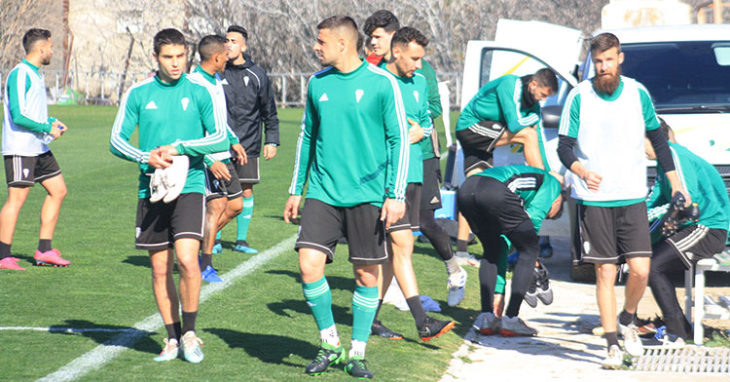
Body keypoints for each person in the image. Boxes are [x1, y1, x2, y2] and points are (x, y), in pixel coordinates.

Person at [283, 16, 408, 379]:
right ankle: (329, 344)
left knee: (367, 274)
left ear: (342, 44)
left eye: (320, 42)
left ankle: (357, 353)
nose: (315, 47)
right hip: (323, 190)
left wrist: (395, 194)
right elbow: (307, 137)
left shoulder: (382, 83)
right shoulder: (316, 83)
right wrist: (296, 189)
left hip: (369, 194)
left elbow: (398, 139)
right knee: (309, 265)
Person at [557, 32, 689, 369]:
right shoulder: (579, 96)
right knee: (605, 272)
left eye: (609, 60)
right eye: (598, 62)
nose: (603, 67)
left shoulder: (637, 93)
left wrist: (676, 184)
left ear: (620, 58)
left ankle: (628, 318)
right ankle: (612, 346)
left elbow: (659, 142)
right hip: (595, 198)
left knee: (641, 270)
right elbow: (564, 146)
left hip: (631, 195)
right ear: (592, 62)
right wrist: (580, 171)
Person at [109, 28, 228, 363]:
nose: (176, 64)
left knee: (188, 261)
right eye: (168, 57)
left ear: (187, 55)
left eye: (180, 56)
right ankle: (172, 337)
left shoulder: (201, 90)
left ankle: (190, 333)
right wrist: (144, 156)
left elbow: (218, 136)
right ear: (156, 57)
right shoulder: (138, 92)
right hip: (151, 189)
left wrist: (180, 149)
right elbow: (116, 140)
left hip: (189, 184)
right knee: (160, 269)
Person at [363, 9, 468, 313]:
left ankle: (454, 270)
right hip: (392, 160)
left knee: (423, 222)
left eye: (378, 37)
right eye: (370, 38)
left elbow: (432, 107)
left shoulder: (421, 71)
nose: (372, 43)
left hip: (422, 155)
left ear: (395, 39)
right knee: (393, 228)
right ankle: (399, 292)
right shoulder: (376, 71)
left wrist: (413, 128)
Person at [372, 26, 455, 342]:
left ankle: (372, 320)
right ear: (397, 52)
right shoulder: (376, 81)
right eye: (415, 58)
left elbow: (422, 120)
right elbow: (368, 134)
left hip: (415, 172)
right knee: (401, 245)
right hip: (387, 177)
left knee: (395, 252)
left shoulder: (419, 82)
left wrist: (416, 132)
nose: (420, 65)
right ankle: (422, 322)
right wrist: (401, 139)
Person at [642, 120, 729, 346]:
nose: (639, 150)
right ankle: (679, 327)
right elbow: (655, 203)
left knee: (653, 266)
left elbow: (684, 202)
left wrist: (644, 227)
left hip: (708, 227)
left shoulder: (673, 155)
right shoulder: (665, 162)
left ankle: (676, 333)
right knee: (649, 260)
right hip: (696, 225)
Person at [458, 165, 563, 336]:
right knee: (530, 250)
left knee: (492, 249)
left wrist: (499, 291)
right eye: (549, 214)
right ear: (558, 201)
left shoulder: (523, 190)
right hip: (493, 191)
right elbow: (532, 225)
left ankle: (487, 316)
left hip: (466, 190)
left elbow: (504, 244)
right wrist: (531, 262)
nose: (546, 216)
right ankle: (511, 319)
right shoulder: (552, 185)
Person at [0, 28, 70, 271]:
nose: (52, 51)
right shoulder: (20, 74)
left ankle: (44, 250)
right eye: (50, 47)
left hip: (38, 146)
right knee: (16, 199)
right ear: (41, 48)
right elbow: (18, 115)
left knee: (58, 190)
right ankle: (3, 255)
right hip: (20, 147)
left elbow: (32, 110)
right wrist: (45, 128)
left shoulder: (35, 74)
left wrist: (50, 123)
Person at [189, 35, 248, 283]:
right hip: (207, 160)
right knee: (215, 206)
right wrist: (208, 160)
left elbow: (219, 121)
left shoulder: (215, 79)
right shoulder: (193, 84)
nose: (228, 57)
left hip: (223, 154)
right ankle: (206, 264)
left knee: (235, 206)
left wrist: (233, 140)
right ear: (216, 57)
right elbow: (190, 130)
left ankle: (195, 246)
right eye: (225, 54)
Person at [219, 25, 280, 255]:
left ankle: (241, 240)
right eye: (226, 40)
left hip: (248, 145)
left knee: (245, 191)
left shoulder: (257, 74)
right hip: (220, 146)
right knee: (220, 192)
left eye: (233, 41)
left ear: (243, 45)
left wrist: (271, 140)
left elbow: (269, 111)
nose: (229, 44)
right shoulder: (217, 72)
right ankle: (214, 238)